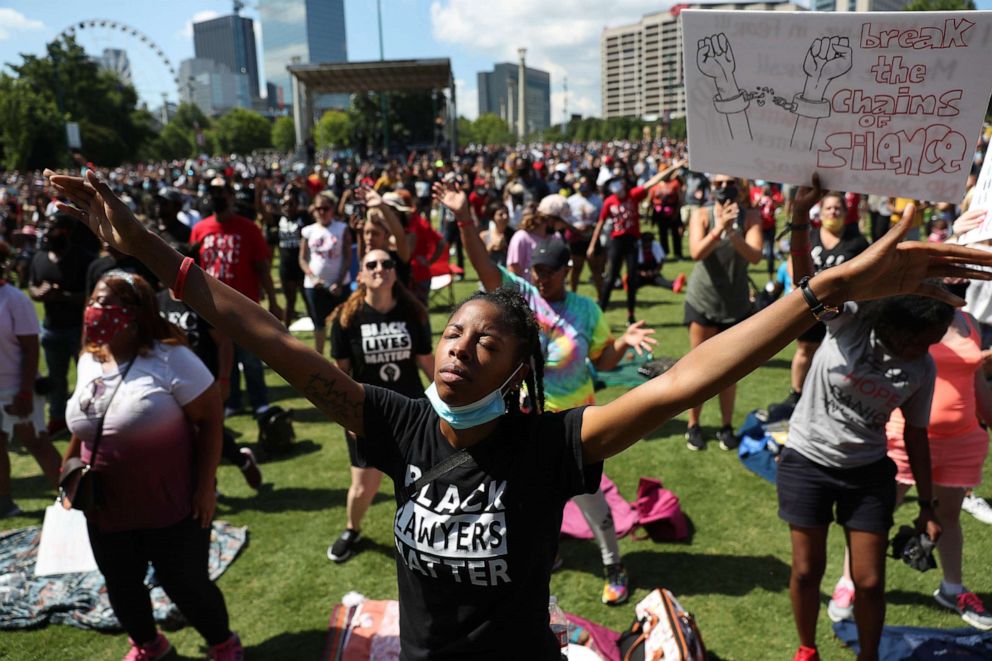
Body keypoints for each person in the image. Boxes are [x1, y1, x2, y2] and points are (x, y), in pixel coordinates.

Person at [47, 167, 992, 661]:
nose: (456, 346)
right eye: (452, 332)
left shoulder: (550, 445)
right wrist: (144, 243)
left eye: (484, 342)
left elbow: (685, 379)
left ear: (518, 374)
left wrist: (822, 291)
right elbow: (265, 334)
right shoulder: (398, 424)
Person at [452, 184, 657, 605]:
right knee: (529, 499)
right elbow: (486, 268)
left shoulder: (586, 310)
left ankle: (613, 563)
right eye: (536, 272)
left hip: (576, 424)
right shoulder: (524, 298)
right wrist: (464, 219)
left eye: (549, 271)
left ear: (567, 269)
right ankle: (551, 554)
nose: (541, 278)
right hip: (530, 420)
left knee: (591, 500)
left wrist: (623, 341)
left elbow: (600, 363)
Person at [62, 271, 242, 661]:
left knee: (186, 585)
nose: (95, 310)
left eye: (105, 303)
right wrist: (68, 469)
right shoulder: (90, 357)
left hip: (171, 503)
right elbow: (84, 421)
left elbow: (211, 420)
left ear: (134, 312)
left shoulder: (172, 359)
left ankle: (223, 644)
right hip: (105, 507)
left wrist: (206, 486)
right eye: (93, 301)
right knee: (121, 584)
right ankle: (148, 644)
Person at [824, 306, 992, 631]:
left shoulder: (967, 320)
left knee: (949, 517)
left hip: (962, 441)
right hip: (905, 436)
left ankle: (952, 588)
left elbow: (976, 382)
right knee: (877, 514)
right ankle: (849, 581)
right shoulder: (910, 316)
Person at [326, 249, 434, 563]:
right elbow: (341, 373)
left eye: (387, 263)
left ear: (395, 272)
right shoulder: (347, 317)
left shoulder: (413, 313)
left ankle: (426, 538)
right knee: (363, 487)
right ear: (360, 274)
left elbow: (427, 362)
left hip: (412, 413)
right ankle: (352, 529)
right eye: (371, 264)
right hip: (368, 415)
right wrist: (347, 417)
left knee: (422, 482)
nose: (380, 268)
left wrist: (451, 399)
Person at [683, 174, 763, 451]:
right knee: (699, 368)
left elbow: (755, 255)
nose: (723, 188)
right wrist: (719, 228)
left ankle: (726, 426)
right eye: (717, 184)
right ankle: (693, 424)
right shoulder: (701, 213)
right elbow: (696, 252)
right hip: (703, 300)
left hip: (735, 303)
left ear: (740, 186)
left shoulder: (751, 216)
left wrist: (732, 231)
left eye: (729, 182)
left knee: (729, 371)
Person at [190, 177, 281, 418]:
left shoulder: (248, 228)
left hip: (244, 306)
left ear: (231, 196)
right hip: (212, 306)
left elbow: (262, 267)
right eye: (213, 193)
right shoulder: (200, 229)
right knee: (225, 360)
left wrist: (272, 300)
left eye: (222, 192)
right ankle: (233, 401)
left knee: (250, 357)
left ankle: (260, 401)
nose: (218, 197)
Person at [777, 192, 869, 413]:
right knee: (805, 349)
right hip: (809, 306)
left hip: (843, 311)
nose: (833, 212)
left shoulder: (856, 242)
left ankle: (827, 397)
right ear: (821, 212)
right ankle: (797, 392)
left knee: (837, 353)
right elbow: (793, 260)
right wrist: (797, 286)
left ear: (845, 213)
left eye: (838, 208)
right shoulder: (810, 236)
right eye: (828, 208)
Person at [590, 161, 685, 325]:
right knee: (611, 277)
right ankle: (601, 312)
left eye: (619, 183)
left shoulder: (633, 195)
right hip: (617, 241)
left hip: (632, 241)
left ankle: (631, 315)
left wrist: (674, 168)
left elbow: (654, 181)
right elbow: (600, 222)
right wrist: (593, 244)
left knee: (632, 278)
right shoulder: (609, 201)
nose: (617, 187)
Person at [28, 214, 94, 437]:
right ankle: (58, 418)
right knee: (56, 377)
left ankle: (89, 420)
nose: (46, 233)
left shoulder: (84, 258)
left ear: (65, 231)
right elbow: (32, 288)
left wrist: (63, 295)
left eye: (52, 228)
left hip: (80, 329)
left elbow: (92, 296)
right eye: (45, 228)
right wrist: (41, 293)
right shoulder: (39, 258)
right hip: (51, 328)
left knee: (88, 377)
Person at [0, 275, 61, 517]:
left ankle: (75, 502)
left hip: (17, 389)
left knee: (37, 444)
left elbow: (31, 349)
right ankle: (4, 504)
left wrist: (25, 392)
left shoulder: (15, 300)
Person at [299, 190, 351, 356]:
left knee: (343, 323)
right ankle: (320, 358)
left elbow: (347, 257)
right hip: (314, 286)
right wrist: (312, 276)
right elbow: (302, 259)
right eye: (318, 208)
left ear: (332, 209)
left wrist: (339, 281)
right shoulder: (308, 231)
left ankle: (342, 358)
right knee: (319, 324)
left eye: (326, 208)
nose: (322, 212)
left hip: (339, 284)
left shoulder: (342, 228)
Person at [276, 187, 310, 327]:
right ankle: (285, 332)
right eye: (284, 204)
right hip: (286, 266)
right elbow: (262, 212)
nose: (287, 207)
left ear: (297, 205)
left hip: (302, 266)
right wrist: (259, 193)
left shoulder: (304, 217)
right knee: (290, 301)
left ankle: (317, 327)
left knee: (308, 299)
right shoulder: (278, 218)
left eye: (291, 204)